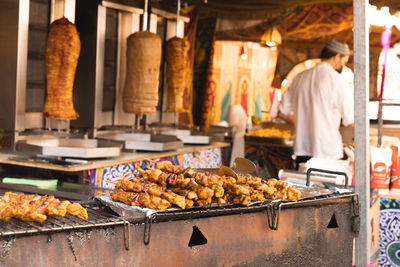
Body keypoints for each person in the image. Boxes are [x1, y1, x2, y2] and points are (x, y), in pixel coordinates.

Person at [278, 40, 354, 169]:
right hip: (327, 152)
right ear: (337, 57)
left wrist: (303, 123)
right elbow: (351, 120)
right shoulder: (338, 81)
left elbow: (281, 113)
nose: (343, 65)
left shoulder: (299, 78)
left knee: (302, 187)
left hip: (302, 149)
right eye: (344, 61)